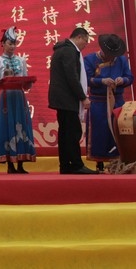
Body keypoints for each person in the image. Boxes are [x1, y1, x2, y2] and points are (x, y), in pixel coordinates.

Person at [48, 27, 98, 175]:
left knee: (65, 132)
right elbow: (72, 77)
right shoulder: (69, 51)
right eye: (85, 41)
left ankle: (65, 165)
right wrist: (83, 97)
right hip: (67, 98)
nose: (86, 45)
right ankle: (76, 164)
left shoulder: (62, 49)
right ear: (79, 37)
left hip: (61, 98)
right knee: (72, 132)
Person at [84, 33, 133, 172]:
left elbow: (129, 77)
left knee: (118, 130)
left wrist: (122, 80)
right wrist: (102, 81)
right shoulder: (90, 59)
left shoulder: (121, 60)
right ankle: (99, 162)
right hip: (98, 102)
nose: (112, 57)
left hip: (117, 101)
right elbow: (86, 79)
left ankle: (119, 161)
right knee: (99, 132)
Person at [0, 27, 36, 174]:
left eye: (14, 43)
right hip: (7, 97)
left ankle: (21, 164)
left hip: (19, 97)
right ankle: (10, 165)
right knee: (8, 125)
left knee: (22, 125)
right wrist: (2, 79)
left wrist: (28, 82)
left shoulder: (21, 60)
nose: (12, 46)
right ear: (3, 44)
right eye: (9, 43)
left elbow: (25, 82)